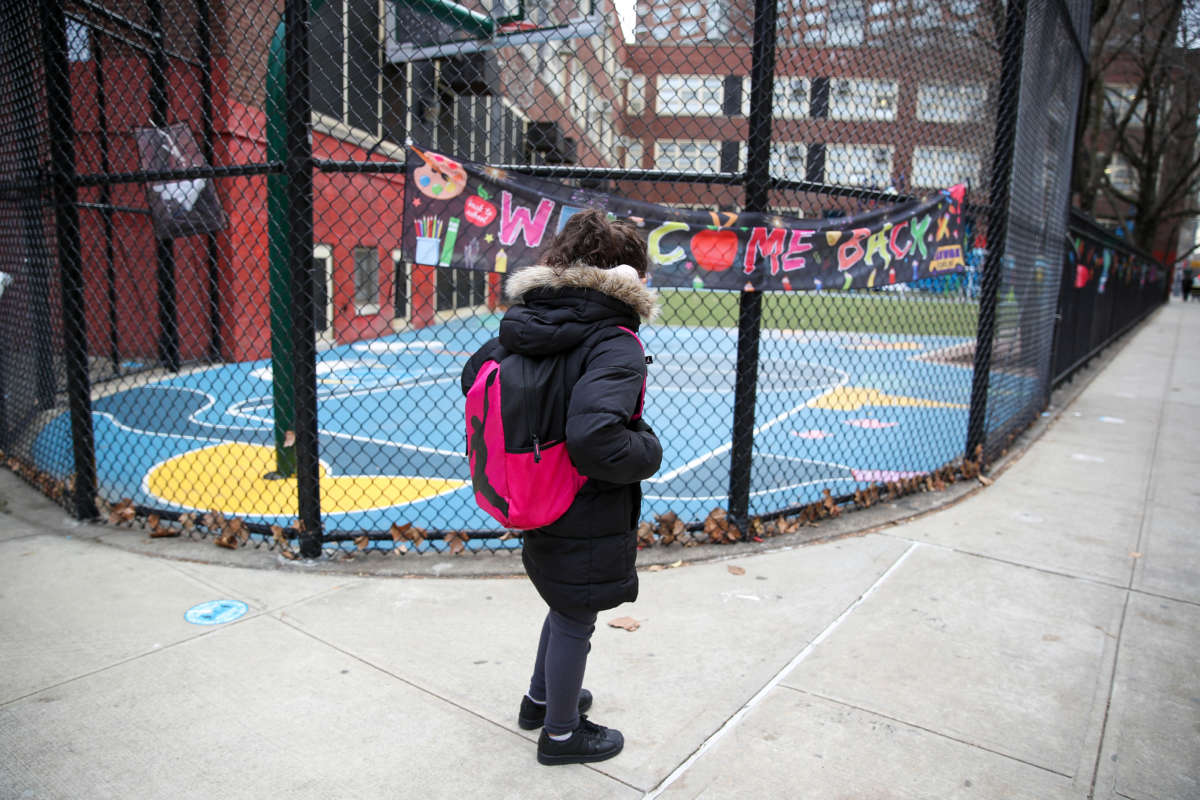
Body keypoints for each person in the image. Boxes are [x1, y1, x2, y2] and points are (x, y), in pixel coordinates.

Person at [460, 210, 662, 766]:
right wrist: (647, 450)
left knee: (562, 598)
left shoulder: (530, 320)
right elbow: (596, 437)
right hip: (582, 498)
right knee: (578, 612)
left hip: (535, 488)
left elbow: (474, 374)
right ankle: (564, 734)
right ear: (624, 277)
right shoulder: (613, 340)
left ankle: (540, 699)